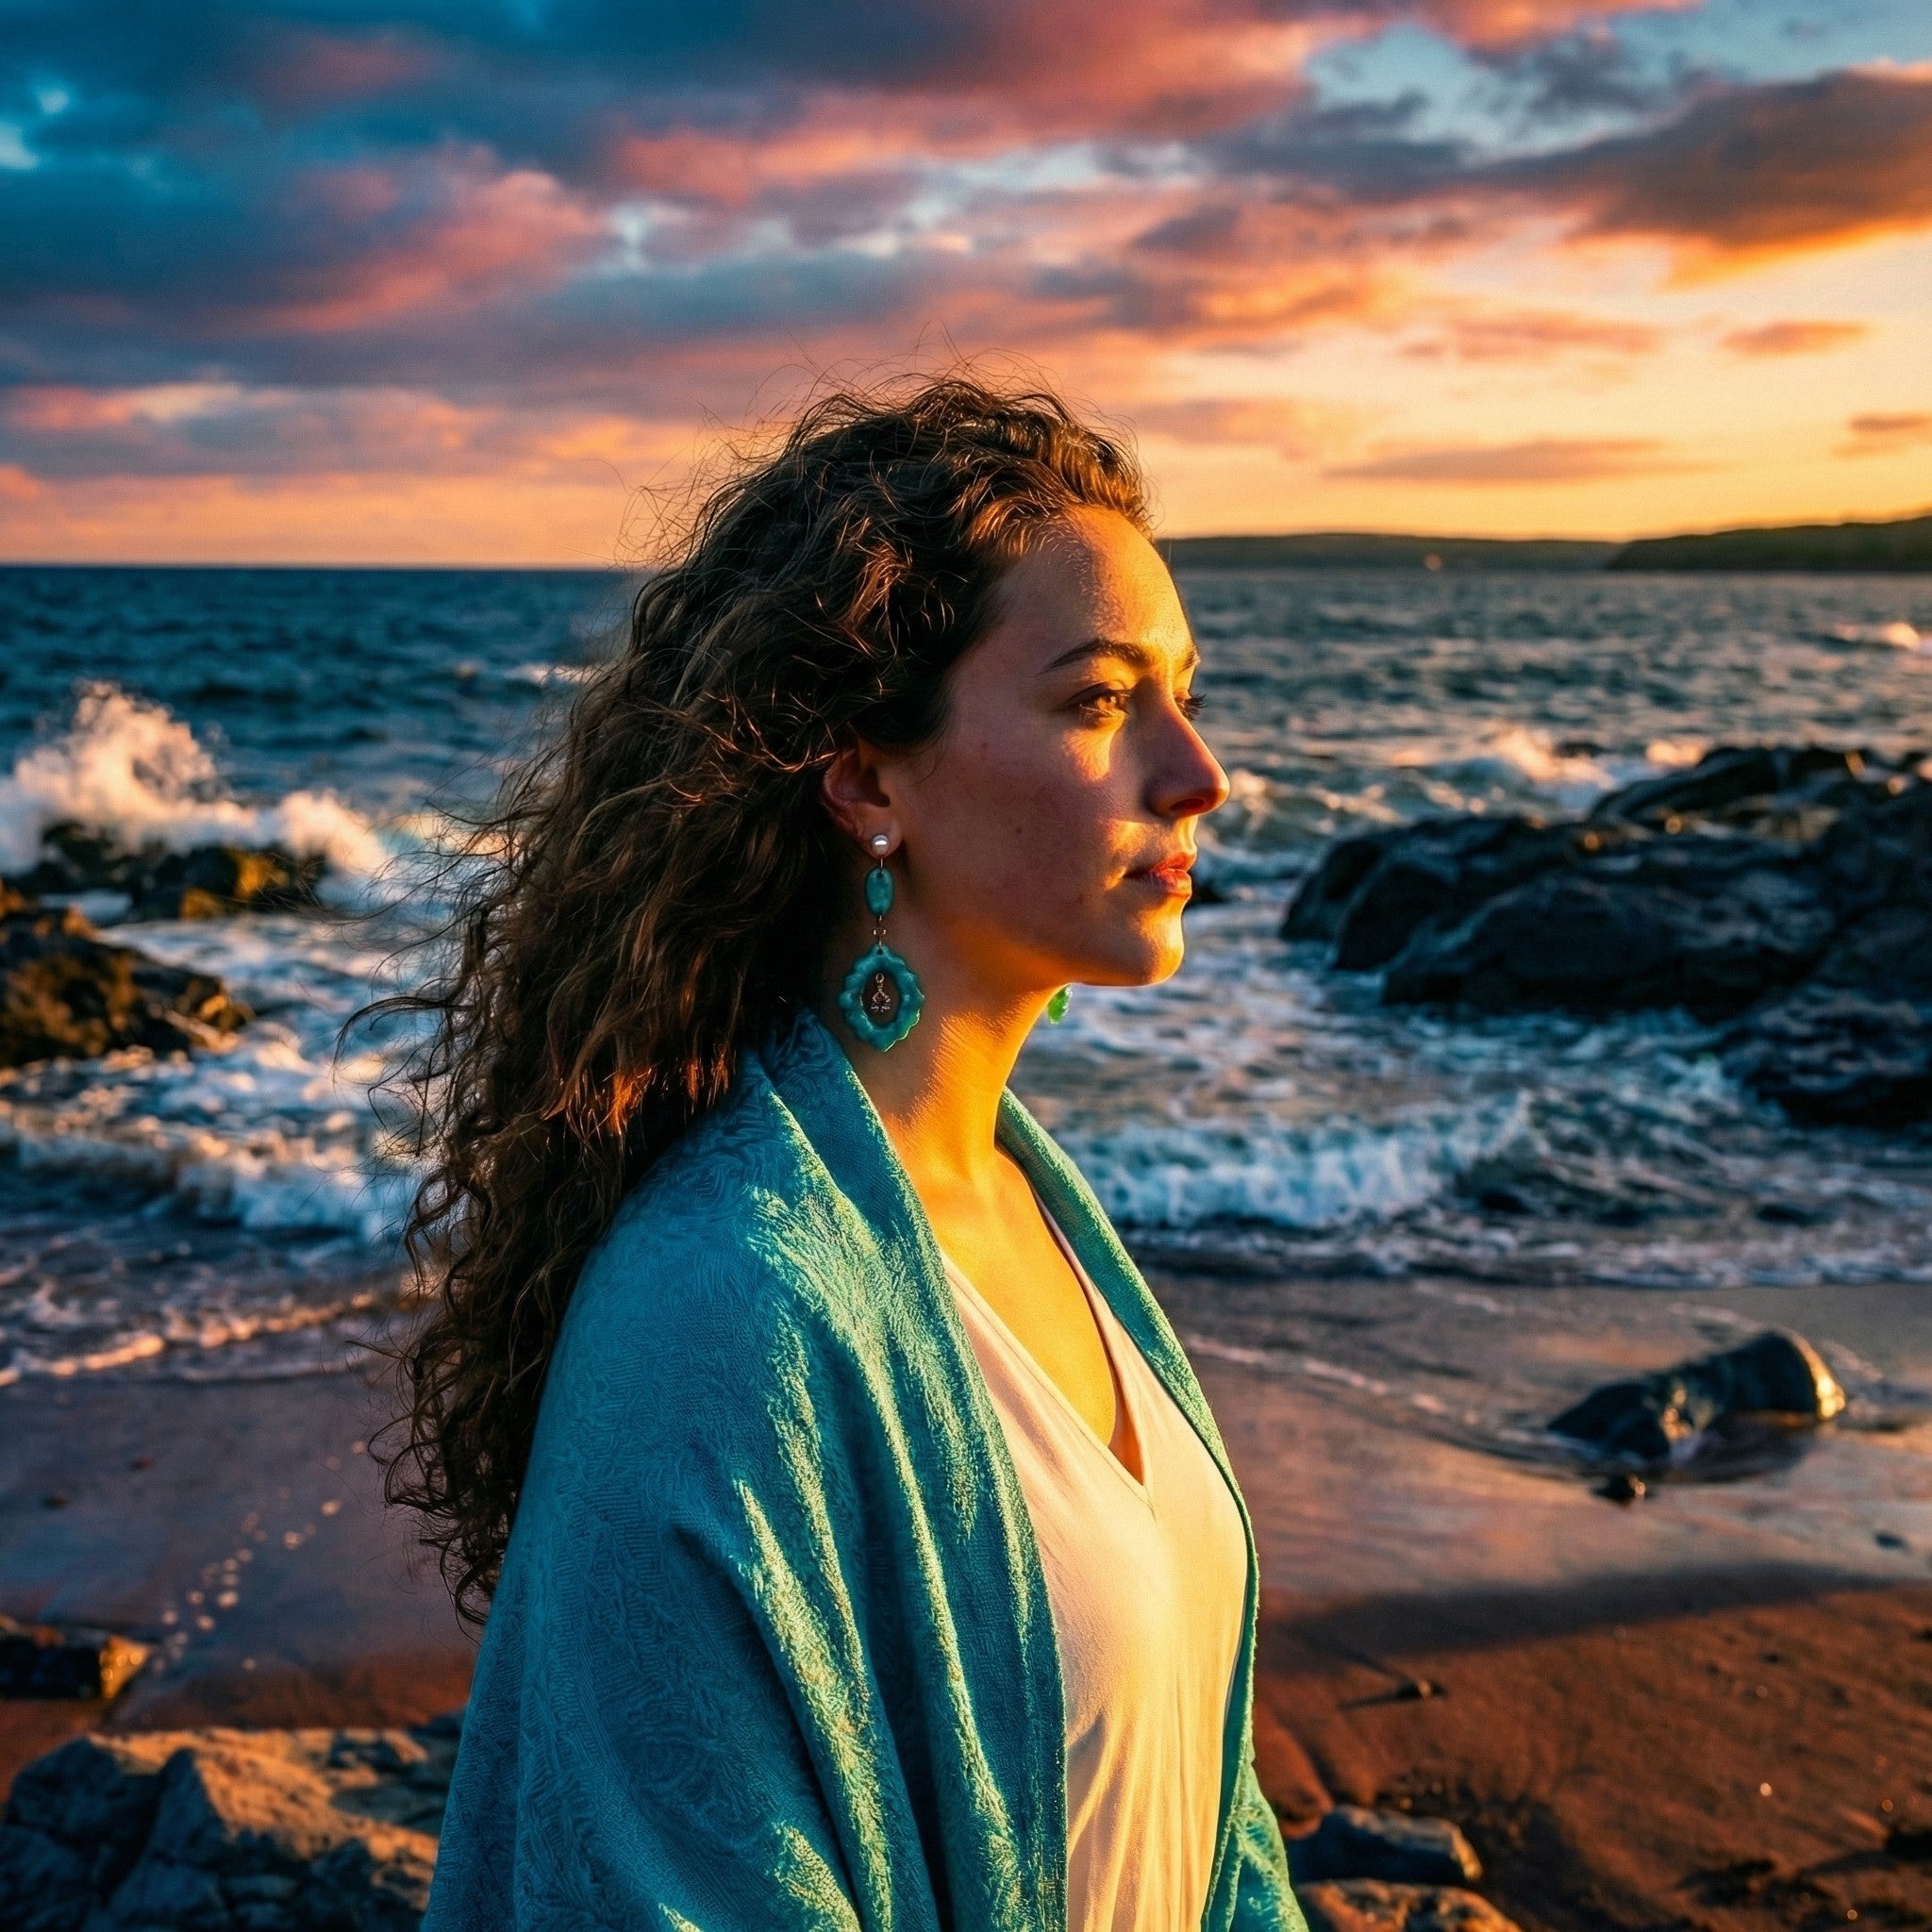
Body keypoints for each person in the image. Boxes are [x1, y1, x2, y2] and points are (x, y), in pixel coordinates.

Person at [391, 375, 1305, 1931]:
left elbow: (1207, 1829)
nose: (1197, 772)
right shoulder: (720, 1312)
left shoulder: (1033, 1210)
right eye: (1099, 702)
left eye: (1185, 692)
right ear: (869, 776)